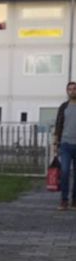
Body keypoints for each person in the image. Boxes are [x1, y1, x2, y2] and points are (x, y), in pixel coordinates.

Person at [52, 81, 76, 210]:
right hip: (65, 145)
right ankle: (64, 200)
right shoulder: (63, 107)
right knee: (65, 172)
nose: (72, 91)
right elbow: (58, 125)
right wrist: (55, 144)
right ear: (67, 91)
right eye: (70, 89)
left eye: (74, 88)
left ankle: (74, 201)